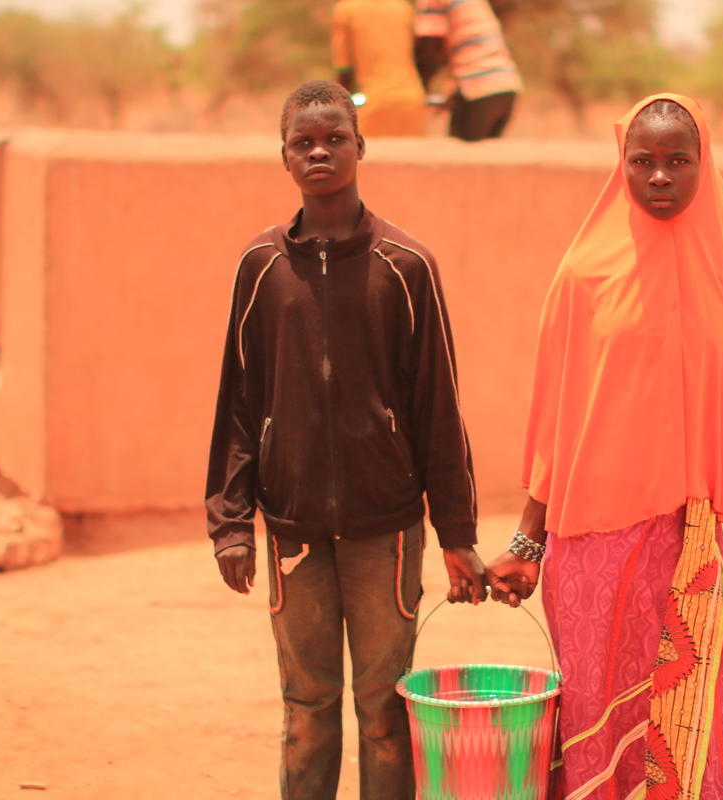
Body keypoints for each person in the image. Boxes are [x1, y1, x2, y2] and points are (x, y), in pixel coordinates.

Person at [486, 93, 723, 800]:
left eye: (678, 161)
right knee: (594, 716)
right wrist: (527, 544)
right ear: (620, 164)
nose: (660, 176)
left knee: (693, 718)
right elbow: (559, 426)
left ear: (703, 163)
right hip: (588, 547)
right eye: (643, 161)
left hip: (686, 541)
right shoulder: (583, 277)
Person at [205, 79, 487, 800]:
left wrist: (455, 533)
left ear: (360, 148)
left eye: (334, 139)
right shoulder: (260, 268)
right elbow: (238, 400)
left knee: (386, 713)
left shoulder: (407, 267)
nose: (320, 151)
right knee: (306, 712)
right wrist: (231, 523)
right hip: (292, 529)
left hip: (385, 531)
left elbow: (437, 408)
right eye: (304, 142)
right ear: (285, 158)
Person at [413, 0, 522, 141]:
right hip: (505, 84)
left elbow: (430, 50)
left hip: (478, 87)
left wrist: (418, 87)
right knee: (482, 160)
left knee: (461, 159)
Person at [332, 0, 428, 137]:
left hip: (373, 102)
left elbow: (344, 71)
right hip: (412, 100)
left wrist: (336, 110)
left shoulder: (346, 10)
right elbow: (422, 54)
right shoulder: (404, 8)